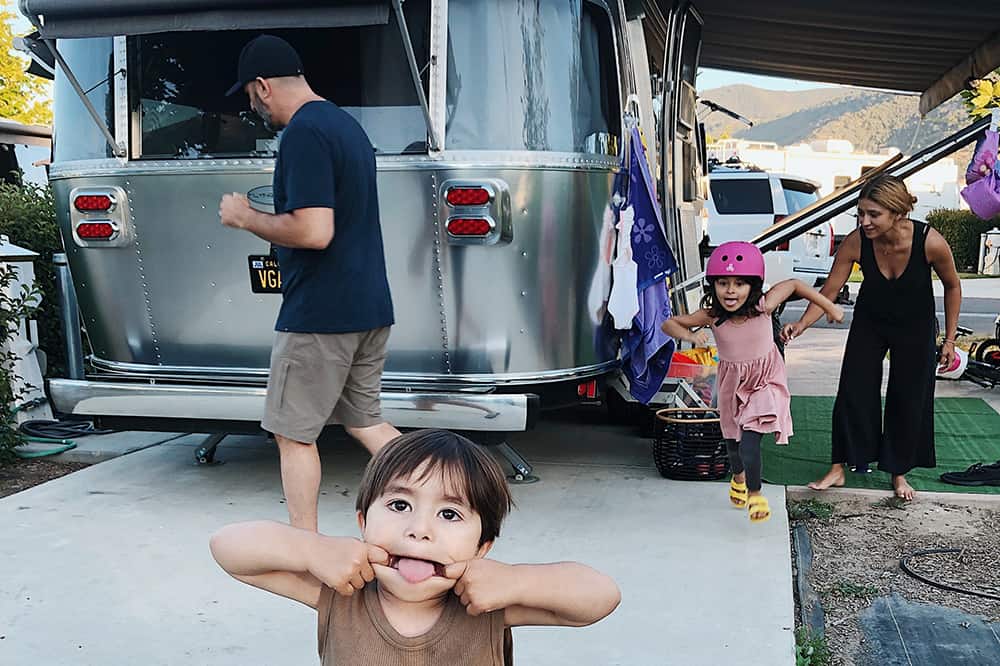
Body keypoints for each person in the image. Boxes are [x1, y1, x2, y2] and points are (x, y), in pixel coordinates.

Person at [209, 429, 621, 664]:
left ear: (482, 547)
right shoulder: (341, 594)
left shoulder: (488, 604)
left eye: (449, 514)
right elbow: (228, 549)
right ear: (363, 523)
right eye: (400, 505)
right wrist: (310, 549)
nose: (419, 530)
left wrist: (517, 581)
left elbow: (600, 598)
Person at [219, 35, 400, 531]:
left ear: (263, 86)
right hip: (367, 306)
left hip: (321, 314)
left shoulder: (303, 133)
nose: (252, 107)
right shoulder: (345, 126)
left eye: (250, 96)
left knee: (292, 434)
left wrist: (247, 217)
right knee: (366, 421)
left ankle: (305, 547)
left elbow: (314, 231)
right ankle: (450, 493)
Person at [782, 175, 961, 501]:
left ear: (898, 212)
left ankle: (898, 472)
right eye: (861, 213)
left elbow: (952, 286)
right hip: (871, 322)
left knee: (908, 397)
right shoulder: (856, 242)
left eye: (873, 214)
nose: (864, 221)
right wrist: (802, 324)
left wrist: (949, 339)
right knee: (854, 389)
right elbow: (829, 291)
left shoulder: (930, 242)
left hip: (915, 326)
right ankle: (838, 467)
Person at [662, 242, 844, 523]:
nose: (730, 291)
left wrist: (829, 306)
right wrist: (691, 336)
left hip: (764, 381)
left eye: (739, 283)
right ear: (713, 285)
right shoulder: (712, 316)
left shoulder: (763, 306)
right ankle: (738, 476)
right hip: (732, 385)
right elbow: (670, 324)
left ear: (753, 286)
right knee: (733, 444)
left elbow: (795, 284)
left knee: (749, 440)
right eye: (723, 283)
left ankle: (755, 493)